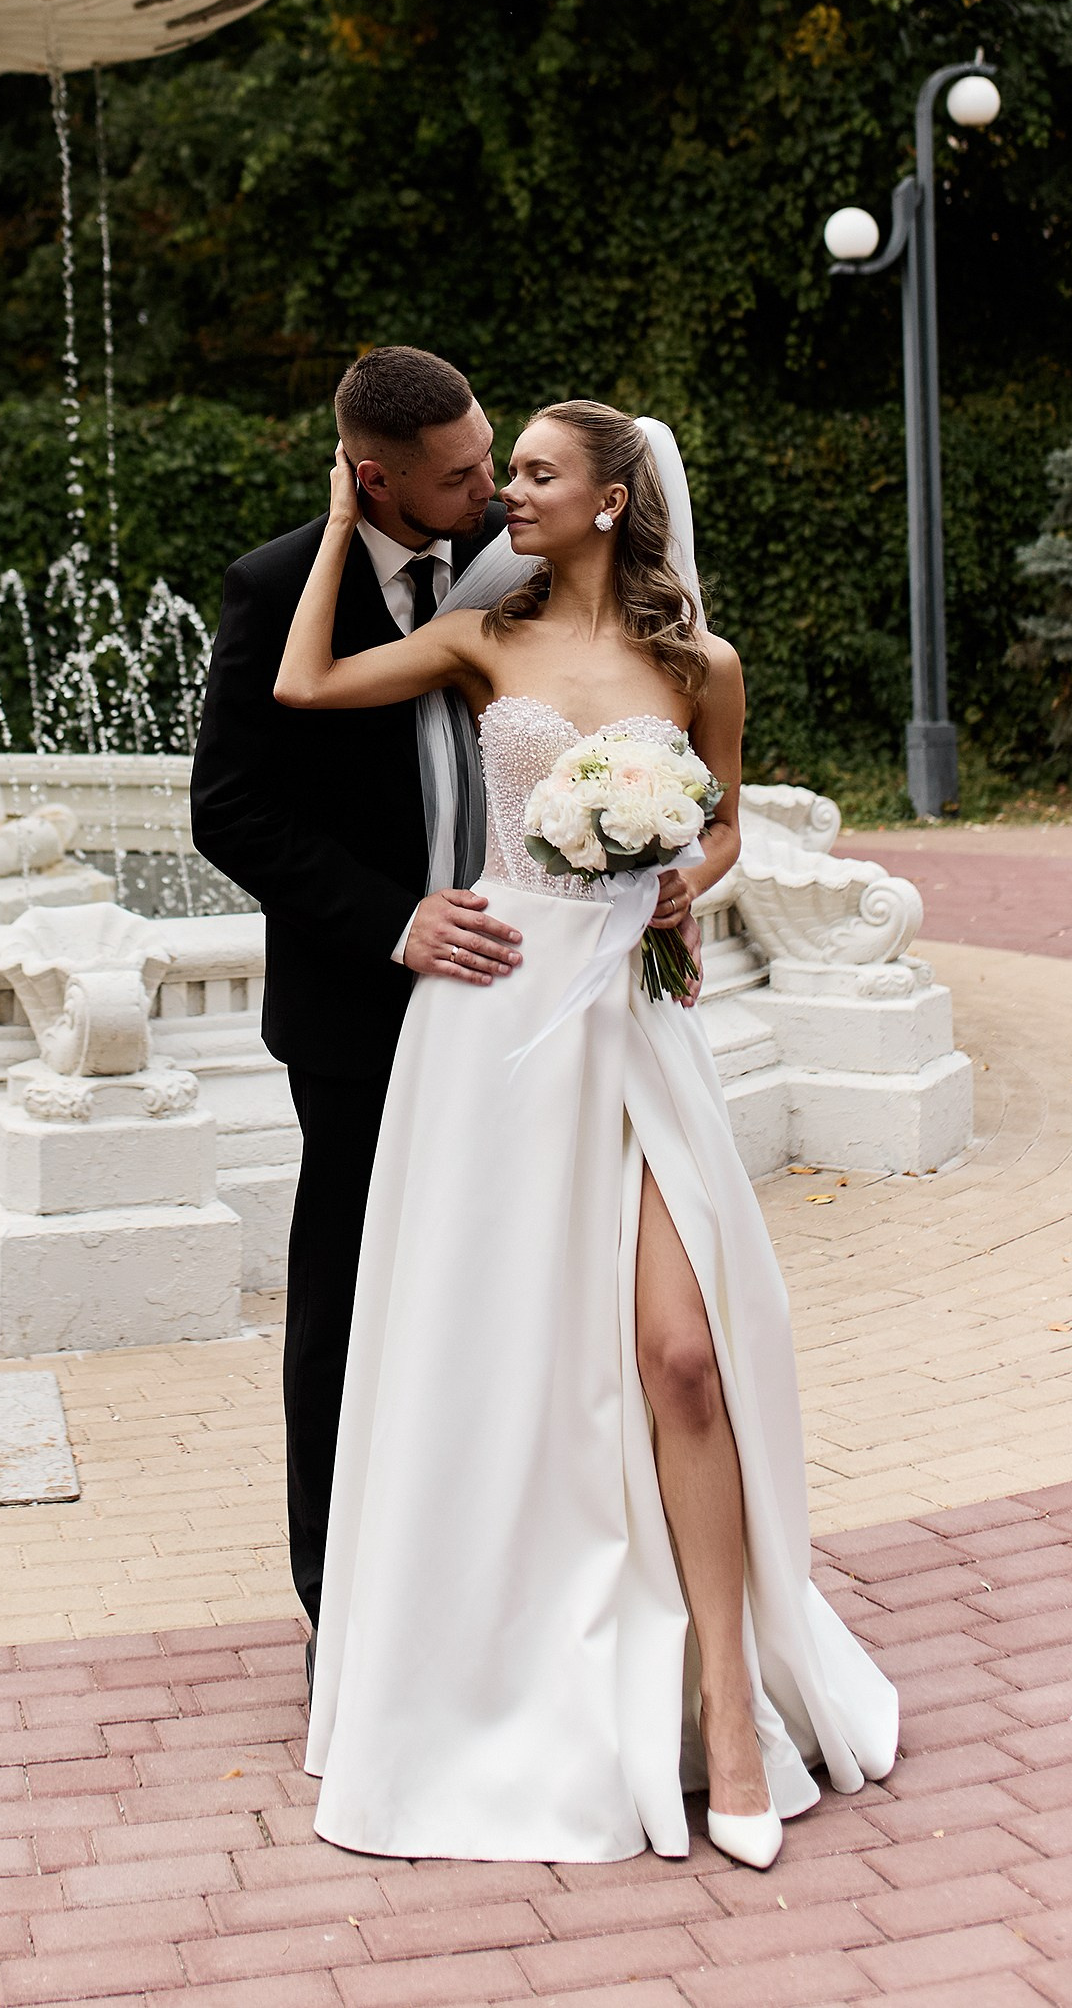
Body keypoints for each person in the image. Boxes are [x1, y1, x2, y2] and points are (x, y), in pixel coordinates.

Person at [272, 400, 899, 1869]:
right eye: (508, 474)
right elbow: (305, 684)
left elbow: (723, 824)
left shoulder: (700, 666)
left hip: (632, 1018)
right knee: (508, 1364)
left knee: (683, 1356)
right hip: (493, 1024)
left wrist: (694, 881)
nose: (510, 494)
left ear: (613, 500)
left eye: (538, 474)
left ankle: (730, 1709)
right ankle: (501, 1659)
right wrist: (341, 524)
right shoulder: (483, 641)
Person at [190, 347, 520, 1646]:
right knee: (344, 1302)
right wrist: (394, 921)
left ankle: (484, 1564)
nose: (490, 488)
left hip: (516, 990)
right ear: (374, 481)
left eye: (491, 456)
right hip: (357, 1014)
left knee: (497, 1286)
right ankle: (338, 1600)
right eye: (462, 475)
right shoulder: (277, 587)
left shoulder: (520, 553)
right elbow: (229, 811)